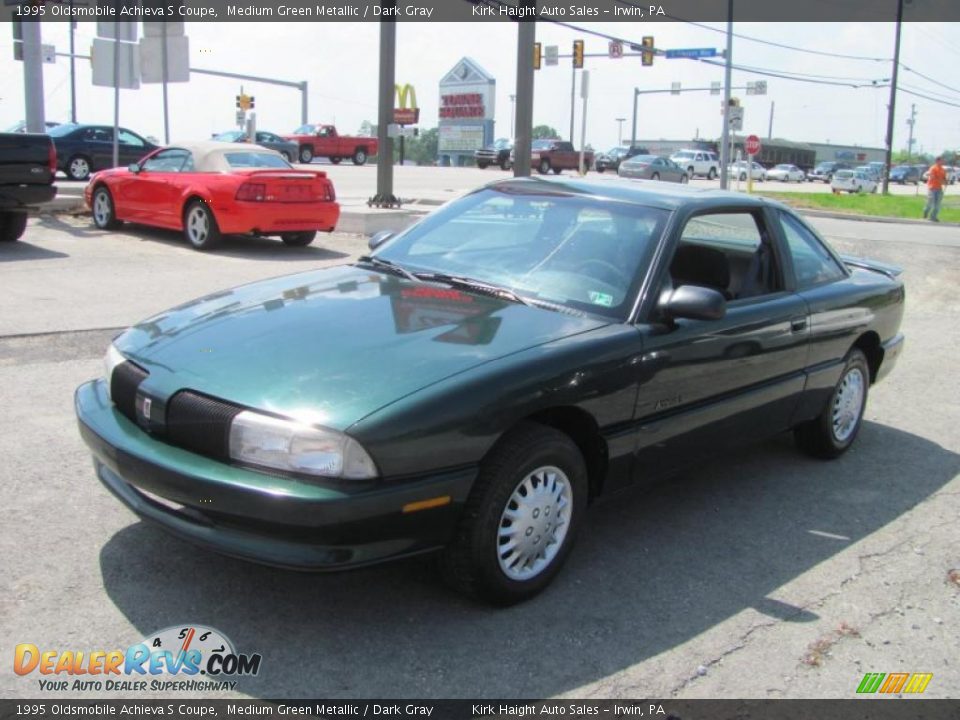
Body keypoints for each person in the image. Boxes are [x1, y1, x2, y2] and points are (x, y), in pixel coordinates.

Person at [923, 156, 947, 222]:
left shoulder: (943, 169)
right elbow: (933, 177)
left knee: (937, 204)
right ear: (937, 161)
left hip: (939, 188)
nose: (943, 162)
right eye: (941, 160)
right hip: (932, 187)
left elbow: (944, 178)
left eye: (943, 160)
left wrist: (945, 181)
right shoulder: (933, 168)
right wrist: (940, 181)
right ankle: (926, 211)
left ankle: (933, 217)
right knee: (930, 202)